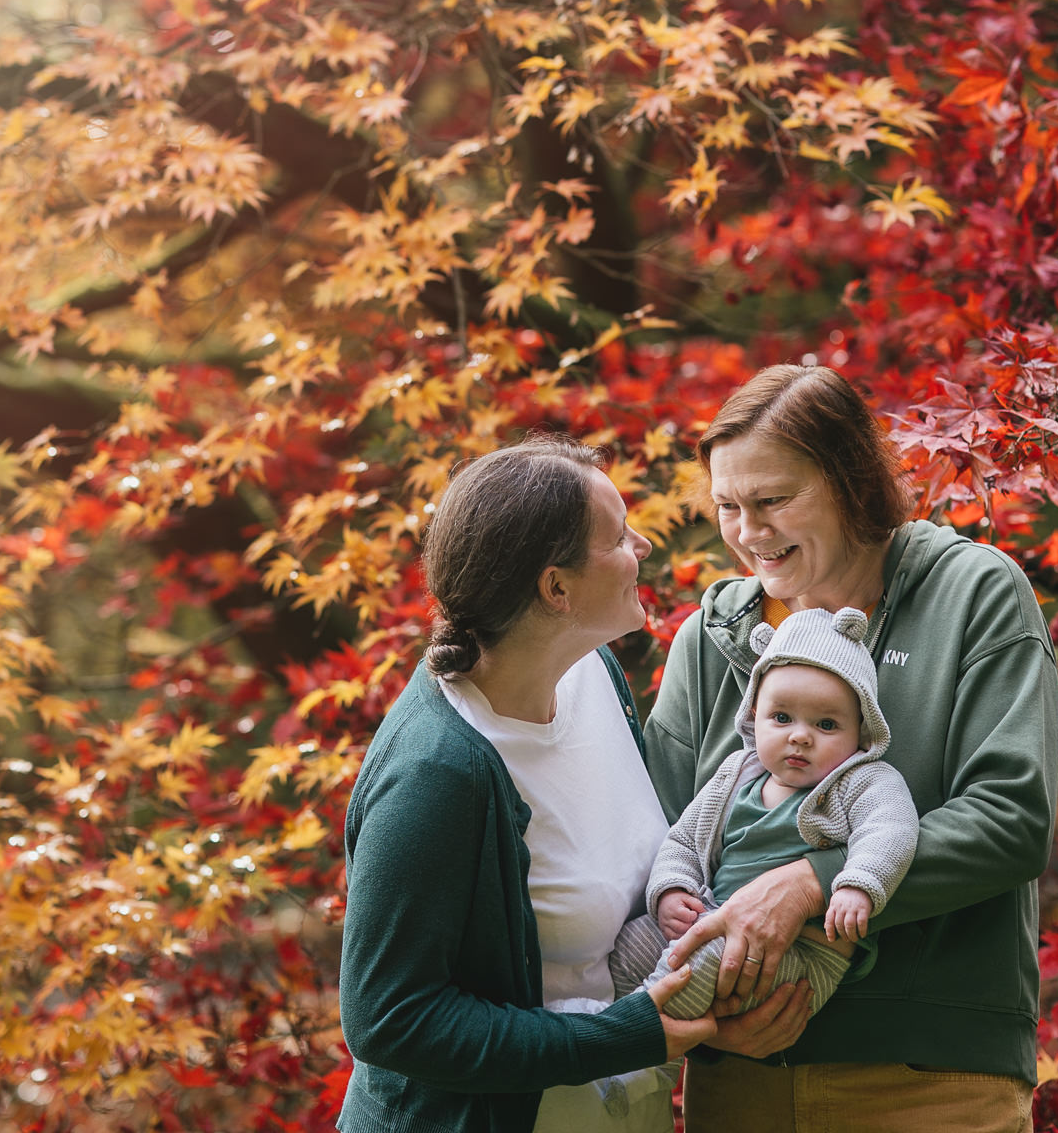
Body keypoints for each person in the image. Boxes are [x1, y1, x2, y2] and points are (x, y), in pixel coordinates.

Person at [337, 435, 812, 1133]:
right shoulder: (438, 771)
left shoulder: (592, 676)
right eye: (619, 536)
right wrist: (628, 1036)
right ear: (555, 589)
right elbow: (390, 1021)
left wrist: (697, 1017)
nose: (644, 545)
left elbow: (616, 950)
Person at [642, 364, 1058, 1131]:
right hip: (738, 1071)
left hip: (929, 1076)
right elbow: (654, 834)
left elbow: (1011, 820)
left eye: (773, 500)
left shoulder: (973, 594)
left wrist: (813, 880)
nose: (748, 532)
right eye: (730, 505)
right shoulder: (712, 637)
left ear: (852, 482)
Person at [610, 605, 917, 1021]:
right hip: (714, 913)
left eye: (826, 725)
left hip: (802, 954)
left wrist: (857, 885)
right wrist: (672, 889)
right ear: (755, 715)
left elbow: (892, 830)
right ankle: (621, 1043)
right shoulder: (736, 774)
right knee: (630, 945)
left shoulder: (862, 782)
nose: (800, 736)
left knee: (702, 962)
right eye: (782, 717)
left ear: (861, 733)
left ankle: (639, 1025)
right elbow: (683, 839)